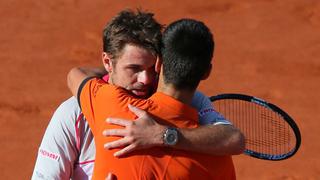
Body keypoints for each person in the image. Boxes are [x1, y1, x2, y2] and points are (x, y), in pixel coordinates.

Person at [32, 10, 244, 180]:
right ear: (108, 63)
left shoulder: (194, 101)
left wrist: (162, 134)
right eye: (133, 68)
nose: (145, 79)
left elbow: (233, 138)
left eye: (151, 69)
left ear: (160, 63)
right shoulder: (74, 113)